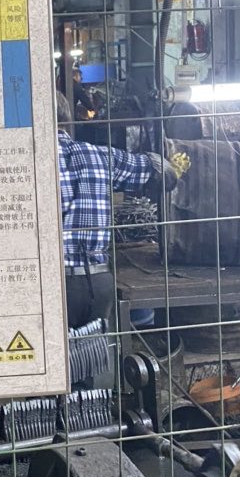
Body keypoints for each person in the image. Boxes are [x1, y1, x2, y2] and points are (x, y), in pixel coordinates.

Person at [56, 93, 178, 329]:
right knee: (95, 350)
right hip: (96, 282)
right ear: (68, 119)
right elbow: (161, 172)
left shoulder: (26, 163)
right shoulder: (100, 156)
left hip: (48, 285)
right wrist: (171, 162)